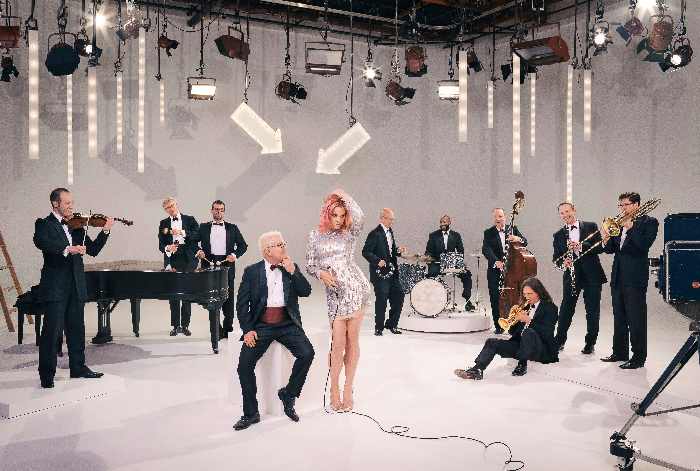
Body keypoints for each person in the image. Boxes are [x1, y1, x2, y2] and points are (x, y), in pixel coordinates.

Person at [234, 231, 315, 430]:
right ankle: (251, 413)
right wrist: (248, 330)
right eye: (279, 245)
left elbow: (306, 291)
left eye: (283, 243)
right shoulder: (252, 272)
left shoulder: (290, 267)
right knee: (244, 366)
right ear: (267, 251)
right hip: (262, 325)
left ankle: (289, 393)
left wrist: (293, 271)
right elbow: (242, 304)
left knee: (307, 353)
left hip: (287, 323)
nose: (284, 247)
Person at [34, 188, 114, 388]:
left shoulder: (76, 226)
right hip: (56, 287)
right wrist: (67, 249)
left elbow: (93, 250)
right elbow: (42, 242)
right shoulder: (44, 223)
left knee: (77, 329)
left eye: (72, 202)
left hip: (77, 285)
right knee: (52, 332)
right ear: (55, 204)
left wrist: (106, 230)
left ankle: (78, 368)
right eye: (67, 203)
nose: (71, 206)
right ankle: (47, 376)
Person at [306, 190, 370, 411]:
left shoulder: (349, 233)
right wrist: (320, 274)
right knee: (337, 346)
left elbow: (360, 216)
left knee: (352, 342)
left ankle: (348, 389)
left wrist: (341, 194)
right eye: (335, 215)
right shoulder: (315, 235)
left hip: (356, 290)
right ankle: (334, 389)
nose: (339, 220)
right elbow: (310, 264)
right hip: (335, 296)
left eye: (342, 215)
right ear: (327, 214)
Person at [454, 277, 558, 380]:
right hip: (521, 347)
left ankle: (522, 364)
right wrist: (514, 320)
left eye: (529, 294)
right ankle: (477, 370)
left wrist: (528, 320)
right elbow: (513, 332)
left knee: (528, 332)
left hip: (540, 349)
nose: (526, 297)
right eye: (525, 294)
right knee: (491, 342)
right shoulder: (526, 307)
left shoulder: (550, 308)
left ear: (538, 292)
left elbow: (547, 332)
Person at [600, 192, 659, 369]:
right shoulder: (618, 223)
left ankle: (638, 358)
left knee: (636, 318)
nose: (622, 208)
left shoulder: (649, 222)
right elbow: (611, 250)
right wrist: (606, 238)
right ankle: (619, 352)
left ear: (636, 205)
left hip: (635, 278)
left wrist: (631, 227)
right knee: (619, 317)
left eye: (625, 205)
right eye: (620, 205)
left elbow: (643, 246)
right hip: (618, 276)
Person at [552, 202, 607, 354]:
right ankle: (559, 341)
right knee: (566, 310)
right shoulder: (558, 235)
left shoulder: (591, 226)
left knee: (592, 311)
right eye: (562, 213)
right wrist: (563, 263)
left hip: (592, 275)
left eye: (567, 211)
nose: (565, 215)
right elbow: (556, 258)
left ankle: (590, 343)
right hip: (571, 276)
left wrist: (581, 246)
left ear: (574, 210)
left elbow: (600, 247)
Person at [197, 200, 248, 343]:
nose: (218, 212)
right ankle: (216, 330)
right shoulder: (203, 227)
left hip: (227, 264)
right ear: (211, 210)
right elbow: (192, 242)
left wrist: (235, 255)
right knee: (212, 297)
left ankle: (228, 329)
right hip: (209, 263)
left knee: (228, 297)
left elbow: (243, 245)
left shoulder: (232, 228)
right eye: (216, 209)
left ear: (224, 211)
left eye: (221, 209)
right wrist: (199, 250)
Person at [158, 197, 200, 336]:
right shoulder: (163, 223)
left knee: (187, 293)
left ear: (176, 204)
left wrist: (182, 232)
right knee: (174, 293)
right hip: (172, 257)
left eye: (172, 205)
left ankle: (185, 325)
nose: (170, 209)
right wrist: (167, 248)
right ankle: (176, 326)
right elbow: (161, 244)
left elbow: (197, 236)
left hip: (188, 258)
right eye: (167, 208)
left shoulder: (190, 219)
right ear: (165, 210)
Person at [481, 207, 527, 333]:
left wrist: (518, 239)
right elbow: (486, 249)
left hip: (512, 271)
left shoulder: (513, 229)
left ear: (505, 217)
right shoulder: (488, 232)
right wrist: (496, 261)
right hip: (495, 271)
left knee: (514, 298)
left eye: (500, 216)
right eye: (495, 217)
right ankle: (499, 326)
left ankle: (513, 326)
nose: (498, 219)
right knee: (496, 298)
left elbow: (525, 242)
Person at [362, 208, 407, 336]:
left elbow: (389, 252)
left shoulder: (390, 231)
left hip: (392, 272)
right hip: (380, 274)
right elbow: (366, 252)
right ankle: (379, 328)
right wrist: (377, 261)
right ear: (382, 218)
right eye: (390, 219)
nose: (392, 221)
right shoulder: (374, 233)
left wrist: (398, 251)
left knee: (399, 296)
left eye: (393, 219)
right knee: (382, 300)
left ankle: (391, 324)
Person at [425, 214, 474, 311]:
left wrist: (459, 261)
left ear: (449, 222)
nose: (442, 224)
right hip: (437, 263)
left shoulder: (456, 235)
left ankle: (467, 300)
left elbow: (460, 251)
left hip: (451, 262)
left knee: (467, 274)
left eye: (444, 222)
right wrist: (428, 258)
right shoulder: (433, 235)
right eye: (441, 222)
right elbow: (428, 251)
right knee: (430, 275)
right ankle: (431, 302)